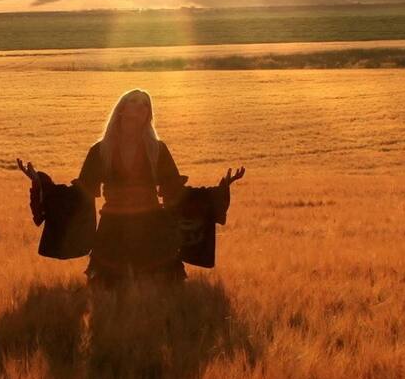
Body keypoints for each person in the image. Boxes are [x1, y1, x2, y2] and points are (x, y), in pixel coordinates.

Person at [18, 89, 244, 288]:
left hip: (152, 226)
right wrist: (41, 183)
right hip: (113, 228)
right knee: (108, 290)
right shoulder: (100, 150)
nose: (140, 106)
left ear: (148, 114)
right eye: (134, 101)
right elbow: (81, 192)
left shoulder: (157, 149)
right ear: (122, 109)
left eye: (145, 103)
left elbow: (175, 191)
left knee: (161, 290)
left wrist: (218, 191)